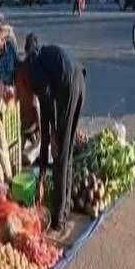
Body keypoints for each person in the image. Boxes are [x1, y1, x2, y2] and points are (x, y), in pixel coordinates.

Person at [16, 44, 85, 241]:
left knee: (60, 156)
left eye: (19, 88)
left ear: (22, 77)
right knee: (66, 153)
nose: (22, 95)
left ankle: (58, 222)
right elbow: (44, 131)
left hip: (71, 85)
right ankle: (65, 206)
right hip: (78, 81)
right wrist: (42, 176)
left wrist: (55, 133)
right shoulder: (37, 67)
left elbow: (47, 110)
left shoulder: (32, 72)